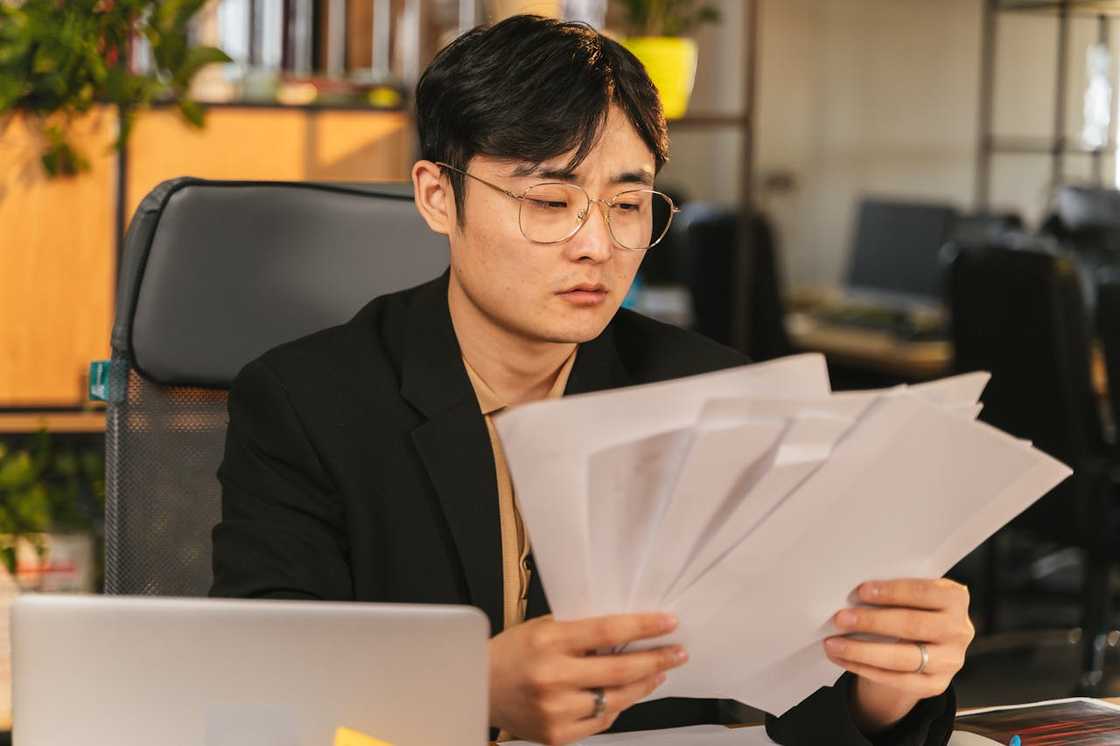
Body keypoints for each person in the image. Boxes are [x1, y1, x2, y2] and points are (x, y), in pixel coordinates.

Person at [211, 14, 973, 745]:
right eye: (550, 201)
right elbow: (265, 684)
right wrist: (467, 687)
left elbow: (806, 706)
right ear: (438, 196)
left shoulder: (708, 395)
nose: (598, 245)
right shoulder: (307, 401)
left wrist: (890, 684)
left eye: (629, 204)